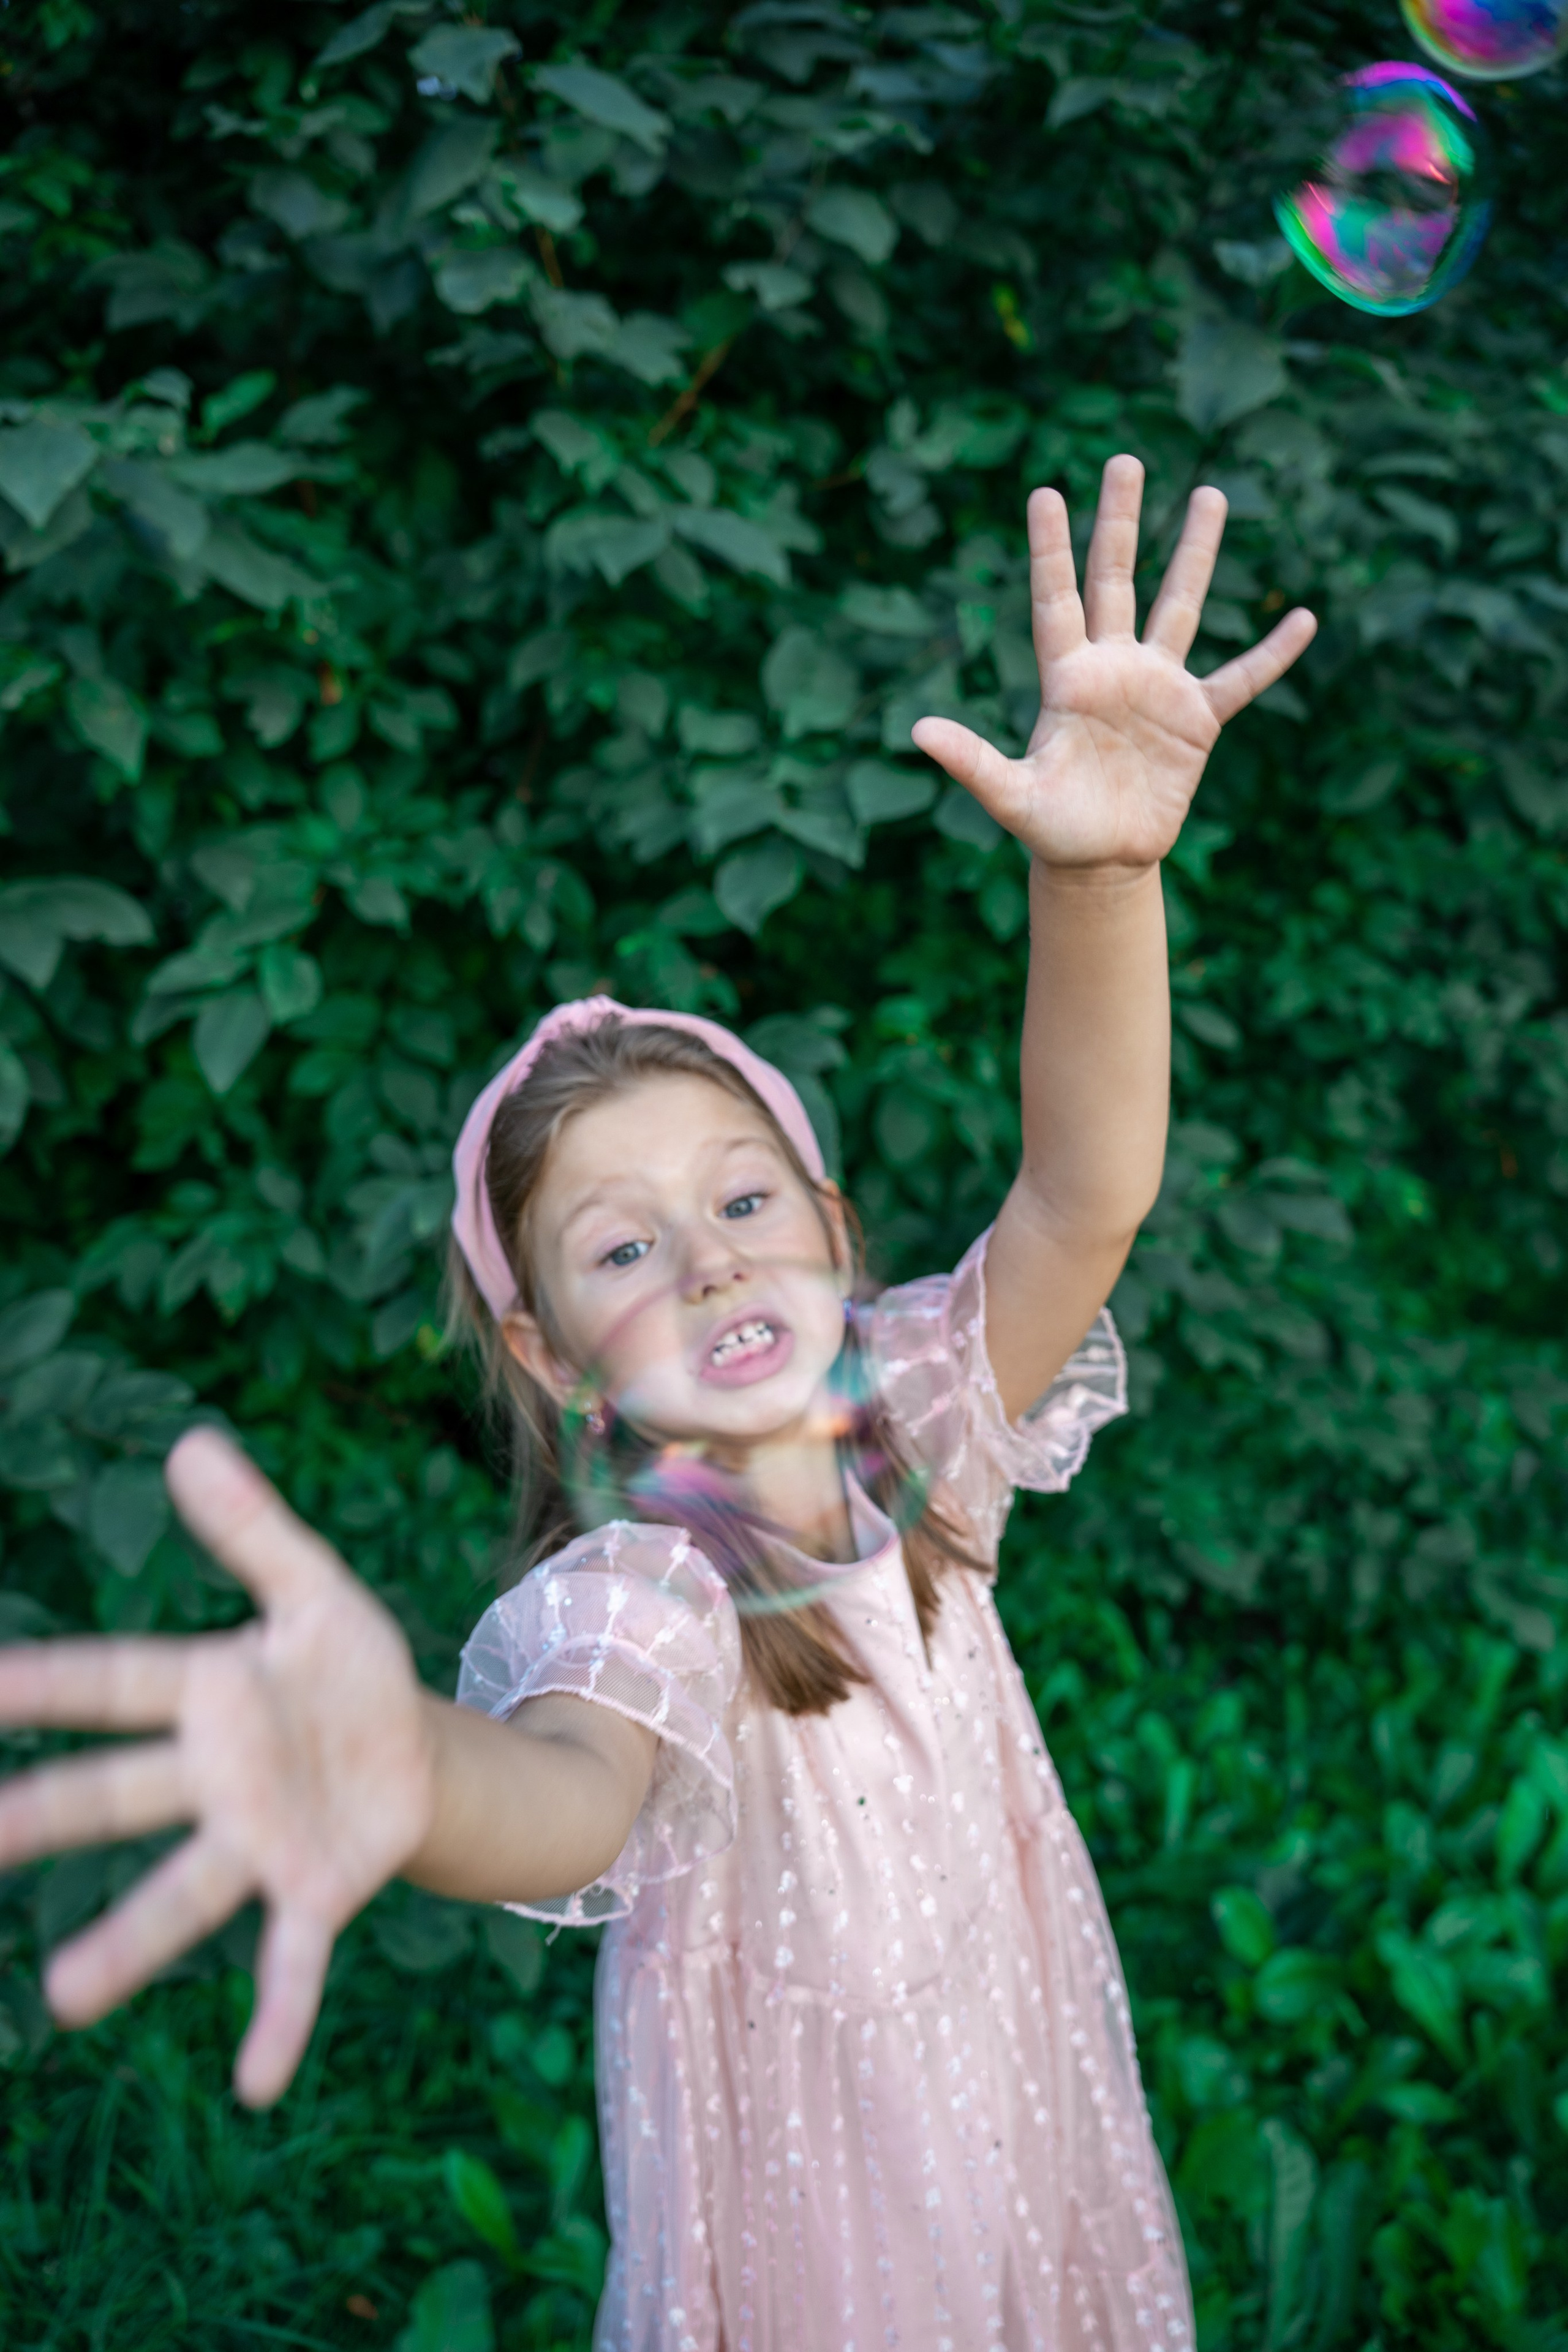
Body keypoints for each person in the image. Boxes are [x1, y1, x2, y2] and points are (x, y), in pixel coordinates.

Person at [0, 458, 1314, 2351]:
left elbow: (1086, 1192)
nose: (703, 1261)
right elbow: (553, 1795)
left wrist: (1098, 880)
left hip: (1017, 2090)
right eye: (618, 1252)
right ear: (547, 1353)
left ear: (834, 1236)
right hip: (822, 2222)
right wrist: (410, 1774)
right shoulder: (645, 1601)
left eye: (743, 1200)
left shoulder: (922, 1435)